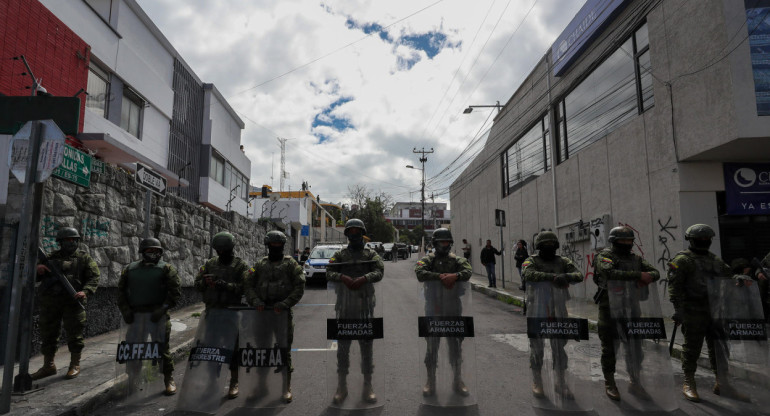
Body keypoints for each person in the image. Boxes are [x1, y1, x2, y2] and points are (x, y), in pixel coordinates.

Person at [667, 224, 749, 402]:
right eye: (700, 239)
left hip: (715, 310)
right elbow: (674, 287)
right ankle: (689, 381)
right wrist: (678, 311)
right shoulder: (682, 260)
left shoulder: (715, 260)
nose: (704, 242)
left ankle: (722, 383)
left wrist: (738, 279)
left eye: (707, 239)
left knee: (720, 348)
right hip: (693, 311)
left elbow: (728, 275)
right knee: (691, 348)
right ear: (691, 240)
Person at [593, 226, 659, 401]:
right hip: (610, 310)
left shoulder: (635, 258)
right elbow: (609, 272)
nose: (626, 244)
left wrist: (644, 276)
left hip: (632, 308)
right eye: (622, 241)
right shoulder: (604, 256)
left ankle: (635, 381)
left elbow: (654, 272)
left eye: (629, 241)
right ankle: (610, 382)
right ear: (614, 241)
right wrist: (638, 276)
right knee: (610, 348)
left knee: (635, 348)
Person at [326, 219, 384, 404]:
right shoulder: (340, 254)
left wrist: (364, 278)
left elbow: (380, 271)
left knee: (366, 347)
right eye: (350, 231)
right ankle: (341, 386)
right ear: (347, 234)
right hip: (344, 306)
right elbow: (328, 271)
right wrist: (342, 277)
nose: (354, 234)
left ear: (362, 232)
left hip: (365, 306)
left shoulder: (371, 253)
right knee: (343, 348)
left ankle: (368, 386)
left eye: (357, 231)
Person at [243, 231, 305, 403]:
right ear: (267, 246)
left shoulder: (291, 264)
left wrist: (285, 304)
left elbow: (299, 286)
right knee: (262, 351)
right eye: (272, 245)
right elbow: (248, 283)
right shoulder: (260, 264)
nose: (275, 248)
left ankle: (286, 387)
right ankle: (261, 386)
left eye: (278, 245)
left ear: (283, 246)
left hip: (281, 314)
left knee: (283, 350)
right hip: (262, 314)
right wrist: (255, 300)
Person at [32, 227, 100, 381]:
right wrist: (38, 270)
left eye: (74, 240)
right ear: (60, 242)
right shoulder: (49, 258)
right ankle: (48, 365)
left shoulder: (84, 259)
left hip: (73, 302)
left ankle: (74, 364)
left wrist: (86, 291)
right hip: (51, 303)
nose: (72, 243)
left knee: (75, 335)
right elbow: (33, 277)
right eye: (68, 240)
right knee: (48, 334)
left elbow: (94, 277)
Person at [117, 237, 181, 395]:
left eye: (156, 251)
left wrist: (163, 308)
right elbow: (120, 291)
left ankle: (168, 378)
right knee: (134, 349)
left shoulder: (166, 269)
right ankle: (133, 379)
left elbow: (175, 293)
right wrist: (125, 309)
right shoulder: (130, 269)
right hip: (136, 316)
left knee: (162, 349)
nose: (153, 253)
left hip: (157, 317)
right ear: (142, 252)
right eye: (149, 250)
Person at [522, 231, 583, 398]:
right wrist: (554, 277)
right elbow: (527, 274)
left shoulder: (563, 261)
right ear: (539, 247)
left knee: (559, 348)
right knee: (537, 348)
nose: (549, 248)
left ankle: (560, 382)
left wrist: (565, 276)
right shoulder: (531, 260)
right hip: (538, 308)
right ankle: (537, 381)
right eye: (545, 245)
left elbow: (578, 275)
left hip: (558, 308)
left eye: (551, 245)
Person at [415, 228, 473, 397]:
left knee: (455, 347)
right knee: (432, 347)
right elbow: (419, 273)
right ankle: (430, 381)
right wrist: (441, 277)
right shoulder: (427, 260)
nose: (444, 245)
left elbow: (467, 271)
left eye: (447, 242)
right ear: (435, 243)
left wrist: (455, 276)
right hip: (433, 308)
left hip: (453, 309)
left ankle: (457, 380)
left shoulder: (457, 260)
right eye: (442, 242)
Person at [194, 231, 248, 399]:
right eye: (219, 250)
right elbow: (197, 284)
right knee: (213, 349)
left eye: (225, 249)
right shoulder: (209, 265)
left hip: (232, 313)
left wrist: (225, 285)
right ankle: (212, 381)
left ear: (232, 248)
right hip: (213, 312)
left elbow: (245, 287)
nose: (222, 253)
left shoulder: (241, 266)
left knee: (233, 350)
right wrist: (206, 282)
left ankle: (234, 381)